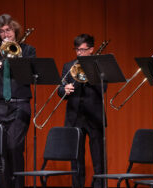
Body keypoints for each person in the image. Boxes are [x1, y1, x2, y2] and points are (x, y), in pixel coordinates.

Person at [0, 14, 36, 188]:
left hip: (20, 104)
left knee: (14, 147)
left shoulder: (28, 49)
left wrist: (15, 57)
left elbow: (31, 76)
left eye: (8, 30)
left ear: (15, 30)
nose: (5, 35)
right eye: (1, 31)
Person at [58, 34, 107, 188]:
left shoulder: (99, 65)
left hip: (94, 117)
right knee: (76, 160)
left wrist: (90, 73)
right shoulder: (68, 66)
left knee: (98, 159)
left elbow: (103, 88)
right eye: (77, 50)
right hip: (75, 117)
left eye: (82, 50)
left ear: (91, 49)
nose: (79, 53)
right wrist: (64, 89)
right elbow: (60, 90)